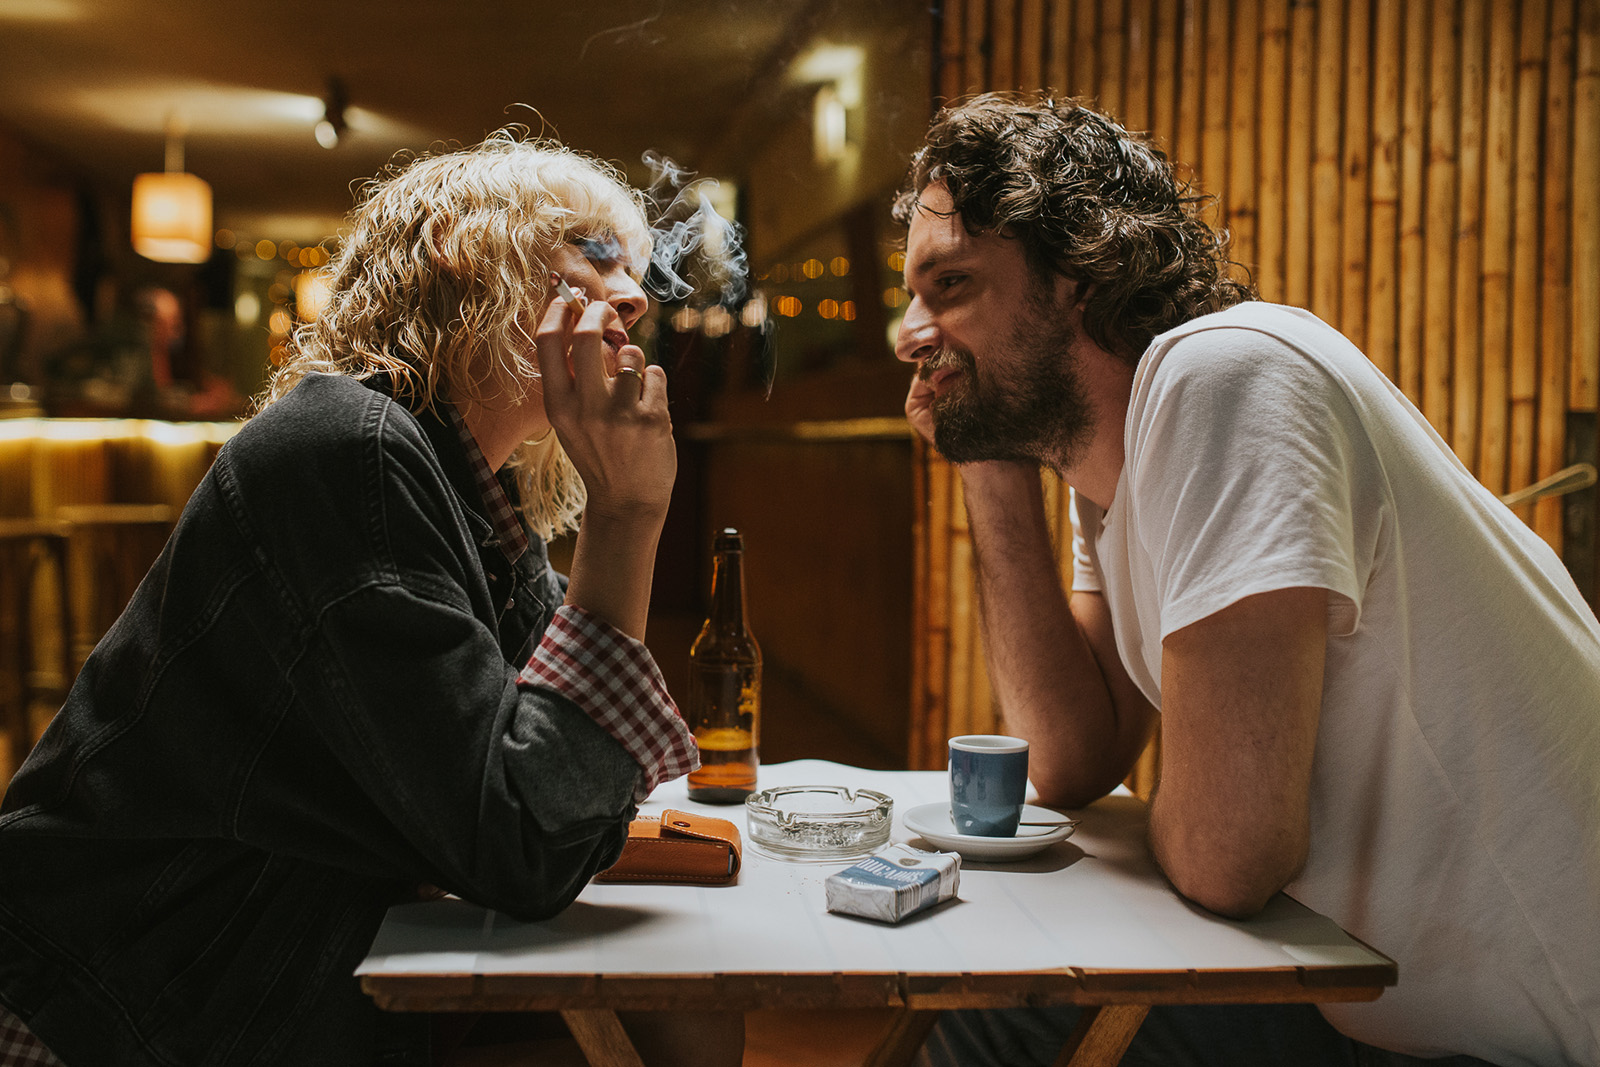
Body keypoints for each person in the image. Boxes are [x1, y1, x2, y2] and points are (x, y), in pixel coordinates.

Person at [0, 130, 742, 1066]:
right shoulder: (347, 446)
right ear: (464, 249)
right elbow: (527, 841)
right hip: (96, 1021)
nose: (633, 296)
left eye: (637, 273)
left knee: (689, 1018)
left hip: (262, 1001)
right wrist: (627, 514)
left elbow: (567, 816)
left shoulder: (477, 501)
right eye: (595, 254)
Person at [892, 93, 1600, 1067]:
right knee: (999, 976)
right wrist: (988, 462)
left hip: (1531, 1035)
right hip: (1383, 1002)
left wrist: (1206, 810)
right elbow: (1072, 756)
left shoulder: (1224, 378)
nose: (909, 332)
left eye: (951, 285)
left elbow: (1228, 853)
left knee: (997, 1008)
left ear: (1078, 276)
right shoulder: (1117, 467)